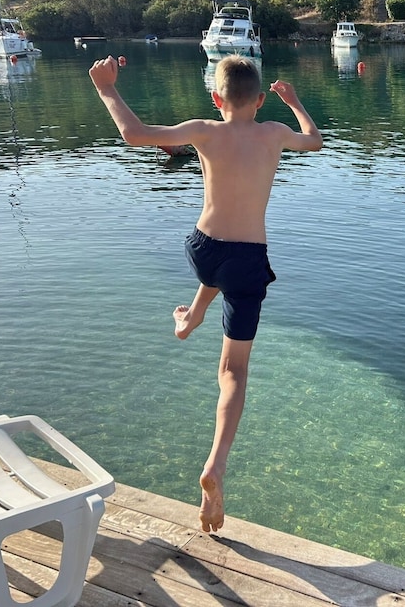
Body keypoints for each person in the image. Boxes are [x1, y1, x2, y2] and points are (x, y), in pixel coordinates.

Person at [89, 54, 323, 533]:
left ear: (216, 99)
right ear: (260, 100)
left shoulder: (203, 130)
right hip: (247, 259)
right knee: (233, 371)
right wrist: (296, 102)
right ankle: (216, 464)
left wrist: (106, 88)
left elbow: (134, 134)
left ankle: (191, 318)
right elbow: (315, 141)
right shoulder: (275, 132)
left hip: (203, 248)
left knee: (219, 270)